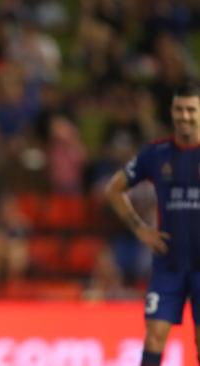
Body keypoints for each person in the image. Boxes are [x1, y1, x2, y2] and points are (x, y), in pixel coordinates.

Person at [105, 82, 200, 366]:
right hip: (168, 262)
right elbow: (114, 189)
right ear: (172, 111)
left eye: (191, 110)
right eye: (179, 109)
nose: (184, 116)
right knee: (155, 336)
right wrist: (140, 229)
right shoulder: (156, 154)